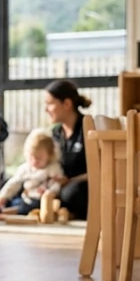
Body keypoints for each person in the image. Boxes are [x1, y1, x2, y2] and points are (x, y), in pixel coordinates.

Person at [44, 79, 91, 220]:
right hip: (60, 184)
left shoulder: (88, 128)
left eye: (50, 104)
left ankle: (60, 209)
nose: (46, 109)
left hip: (84, 185)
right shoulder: (56, 133)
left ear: (67, 104)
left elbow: (102, 169)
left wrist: (70, 180)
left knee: (71, 193)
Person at [0, 130, 64, 216]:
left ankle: (13, 211)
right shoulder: (25, 168)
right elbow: (14, 183)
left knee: (35, 206)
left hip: (42, 199)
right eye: (32, 157)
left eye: (39, 158)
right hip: (26, 197)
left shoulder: (52, 168)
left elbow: (56, 184)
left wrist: (50, 192)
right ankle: (7, 210)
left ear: (49, 155)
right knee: (13, 200)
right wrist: (3, 197)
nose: (35, 161)